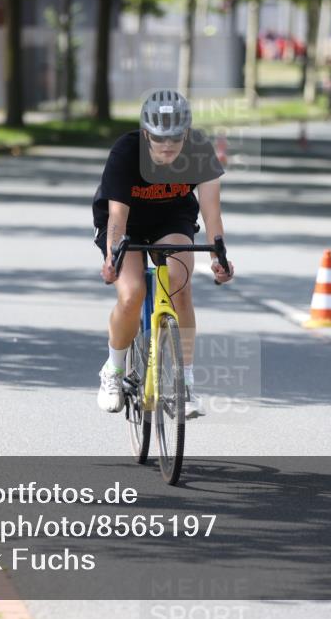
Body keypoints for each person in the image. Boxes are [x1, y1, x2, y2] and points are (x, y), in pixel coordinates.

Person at [91, 89, 235, 414]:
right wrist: (112, 258)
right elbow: (117, 217)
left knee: (180, 286)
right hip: (126, 223)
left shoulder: (199, 150)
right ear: (145, 133)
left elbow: (212, 213)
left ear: (186, 133)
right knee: (132, 294)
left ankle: (184, 383)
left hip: (171, 217)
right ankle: (113, 369)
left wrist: (218, 257)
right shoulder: (126, 152)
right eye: (158, 137)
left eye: (174, 137)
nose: (167, 144)